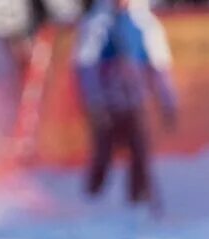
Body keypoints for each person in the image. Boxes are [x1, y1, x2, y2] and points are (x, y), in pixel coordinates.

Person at [73, 0, 178, 210]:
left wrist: (168, 100)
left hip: (136, 101)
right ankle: (91, 202)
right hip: (107, 103)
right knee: (103, 154)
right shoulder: (97, 24)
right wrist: (93, 100)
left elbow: (159, 67)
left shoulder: (145, 23)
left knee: (140, 154)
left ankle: (137, 204)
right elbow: (85, 67)